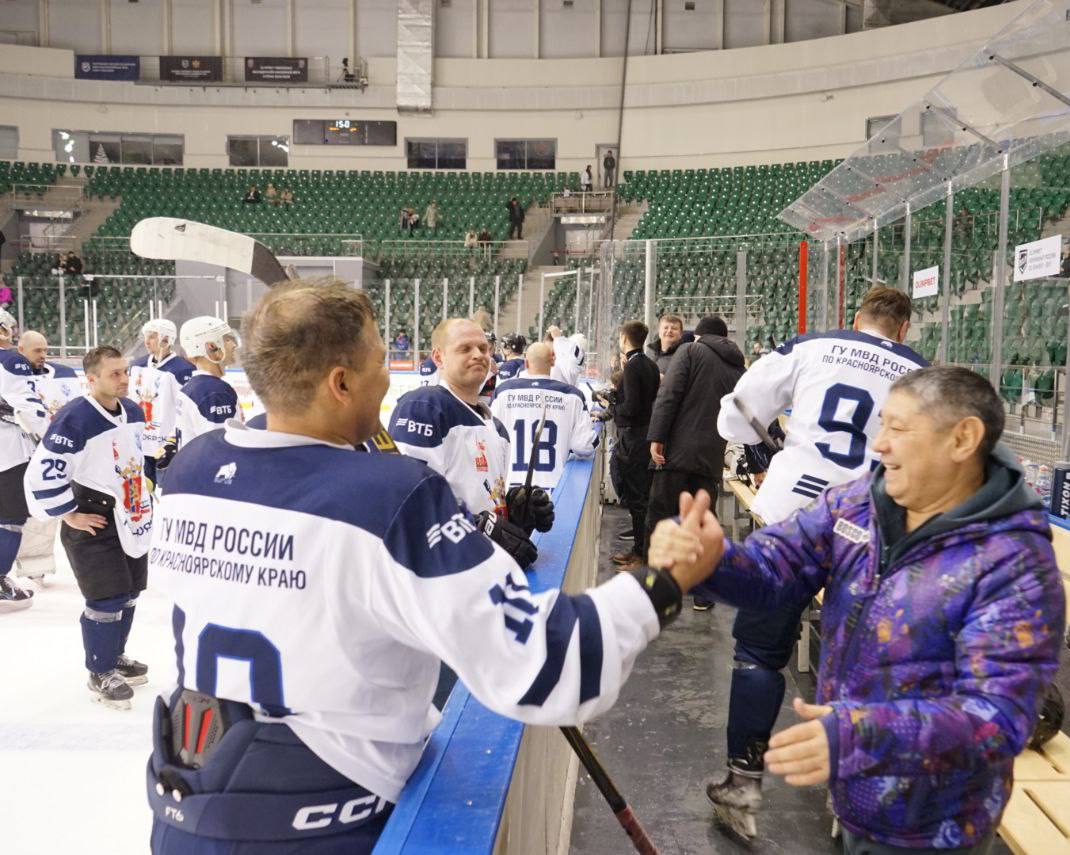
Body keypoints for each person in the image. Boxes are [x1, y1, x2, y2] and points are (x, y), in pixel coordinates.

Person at [146, 279, 714, 853]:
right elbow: (543, 664)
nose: (390, 379)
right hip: (326, 821)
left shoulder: (192, 469)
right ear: (340, 383)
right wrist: (661, 582)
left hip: (185, 801)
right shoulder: (389, 496)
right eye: (377, 363)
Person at [649, 366, 1066, 853]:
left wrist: (859, 736)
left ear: (962, 439)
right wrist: (714, 561)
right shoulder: (860, 504)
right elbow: (776, 568)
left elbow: (996, 718)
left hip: (933, 828)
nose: (879, 445)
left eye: (898, 428)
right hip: (855, 797)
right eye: (880, 425)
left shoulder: (1013, 562)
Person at [704, 286, 924, 836]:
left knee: (758, 652)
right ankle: (851, 799)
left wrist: (770, 445)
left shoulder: (812, 345)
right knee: (862, 664)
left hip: (792, 512)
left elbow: (734, 413)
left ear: (856, 318)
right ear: (903, 329)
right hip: (866, 525)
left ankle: (742, 786)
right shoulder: (920, 374)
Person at [25, 346, 152, 709]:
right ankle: (100, 670)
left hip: (131, 517)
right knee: (106, 597)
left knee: (129, 593)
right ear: (91, 378)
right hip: (93, 521)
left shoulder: (132, 410)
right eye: (115, 373)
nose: (125, 379)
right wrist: (69, 513)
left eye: (126, 371)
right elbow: (44, 471)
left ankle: (116, 656)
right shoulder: (75, 418)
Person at [388, 319, 542, 567]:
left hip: (483, 571)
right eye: (465, 349)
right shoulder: (423, 408)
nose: (478, 355)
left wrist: (513, 512)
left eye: (483, 348)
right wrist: (478, 527)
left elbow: (484, 498)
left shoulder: (497, 428)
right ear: (438, 357)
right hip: (443, 574)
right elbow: (407, 500)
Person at [646, 316, 745, 607]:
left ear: (699, 336)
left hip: (676, 453)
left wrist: (657, 436)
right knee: (703, 522)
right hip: (710, 457)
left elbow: (669, 395)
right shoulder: (738, 368)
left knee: (661, 516)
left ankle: (654, 590)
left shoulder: (689, 351)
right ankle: (703, 594)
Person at [12, 330, 81, 585]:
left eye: (45, 349)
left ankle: (44, 564)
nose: (43, 355)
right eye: (36, 350)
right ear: (21, 350)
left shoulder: (65, 374)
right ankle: (28, 564)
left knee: (62, 506)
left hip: (60, 451)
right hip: (20, 451)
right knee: (28, 510)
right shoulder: (11, 376)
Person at [490, 341, 598, 493]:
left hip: (512, 491)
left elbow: (491, 443)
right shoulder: (572, 396)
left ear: (526, 363)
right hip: (553, 490)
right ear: (553, 361)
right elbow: (583, 446)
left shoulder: (503, 392)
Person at [0, 312, 47, 611]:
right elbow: (28, 407)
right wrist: (49, 437)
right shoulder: (9, 360)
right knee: (11, 518)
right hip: (7, 453)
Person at [611, 320, 660, 569]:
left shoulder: (632, 367)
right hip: (643, 435)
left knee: (637, 498)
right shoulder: (650, 364)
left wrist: (612, 406)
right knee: (641, 497)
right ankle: (639, 550)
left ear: (624, 338)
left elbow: (631, 407)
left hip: (634, 438)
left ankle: (642, 556)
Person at [130, 319, 196, 488]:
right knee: (143, 491)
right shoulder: (136, 366)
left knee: (168, 491)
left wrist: (174, 441)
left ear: (166, 340)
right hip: (140, 444)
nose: (146, 341)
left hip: (167, 445)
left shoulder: (184, 369)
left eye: (152, 337)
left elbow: (186, 408)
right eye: (146, 336)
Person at [167, 316, 240, 458]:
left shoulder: (192, 387)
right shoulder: (215, 392)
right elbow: (220, 451)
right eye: (226, 339)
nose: (233, 345)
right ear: (210, 346)